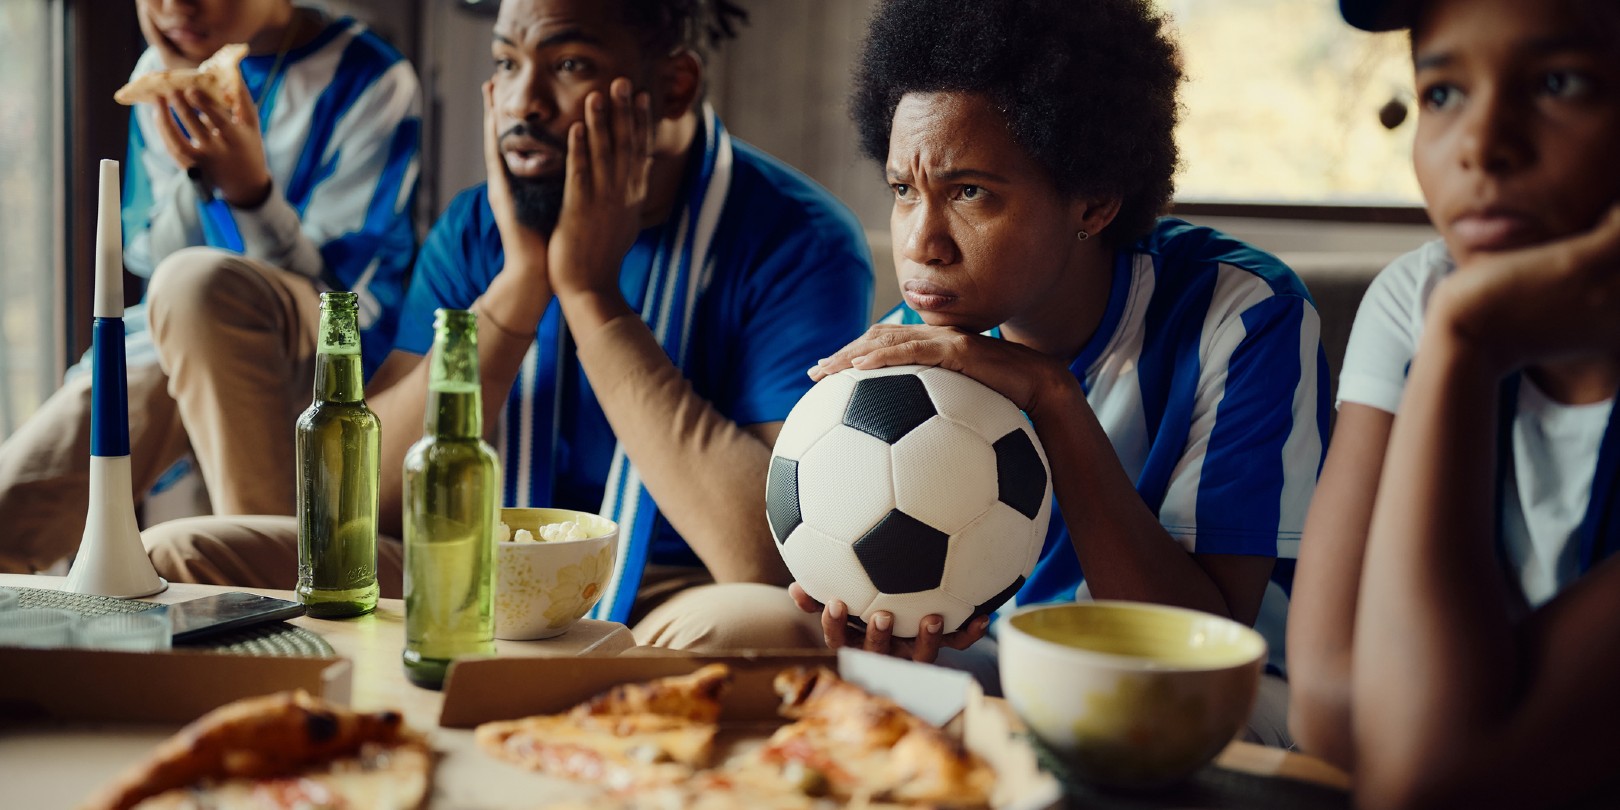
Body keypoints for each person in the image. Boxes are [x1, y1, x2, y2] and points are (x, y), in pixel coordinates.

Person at [141, 0, 874, 649]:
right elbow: (373, 509)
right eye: (506, 61)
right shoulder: (476, 228)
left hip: (665, 592)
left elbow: (761, 556)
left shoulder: (800, 241)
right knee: (176, 555)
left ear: (674, 85)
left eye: (570, 64)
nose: (523, 101)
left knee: (763, 625)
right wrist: (521, 284)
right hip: (463, 564)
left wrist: (590, 295)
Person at [790, 0, 1327, 745]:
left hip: (1229, 696)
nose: (922, 243)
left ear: (1095, 200)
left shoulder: (1242, 317)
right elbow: (955, 625)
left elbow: (1193, 647)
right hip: (1015, 668)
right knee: (769, 650)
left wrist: (1051, 395)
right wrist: (893, 615)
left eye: (970, 191)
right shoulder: (921, 346)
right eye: (904, 190)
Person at [1287, 0, 1620, 804]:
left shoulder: (1452, 316)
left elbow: (1425, 778)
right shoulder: (1420, 295)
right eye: (1442, 94)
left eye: (1560, 82)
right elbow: (1329, 705)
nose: (1481, 145)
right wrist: (1455, 332)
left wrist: (1465, 343)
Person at [0, 0, 420, 574]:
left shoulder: (372, 79)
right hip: (177, 330)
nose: (176, 7)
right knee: (11, 511)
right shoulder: (161, 73)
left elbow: (340, 299)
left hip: (327, 356)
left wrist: (252, 194)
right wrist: (193, 171)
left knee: (197, 289)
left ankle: (275, 598)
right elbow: (149, 253)